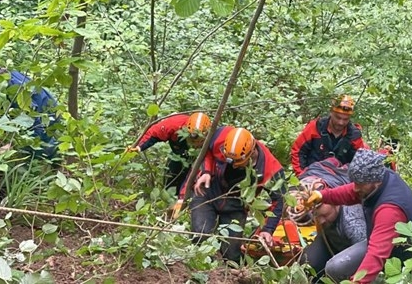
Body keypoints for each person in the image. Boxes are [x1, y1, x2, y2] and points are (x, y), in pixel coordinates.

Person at [305, 148, 412, 283]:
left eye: (360, 184)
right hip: (387, 245)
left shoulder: (389, 210)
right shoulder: (381, 177)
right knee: (334, 267)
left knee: (341, 267)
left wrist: (358, 282)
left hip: (405, 259)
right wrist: (323, 195)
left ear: (373, 181)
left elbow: (376, 254)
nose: (356, 187)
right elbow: (351, 192)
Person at [189, 126, 286, 263]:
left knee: (232, 254)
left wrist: (268, 229)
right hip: (208, 191)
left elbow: (279, 201)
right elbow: (207, 150)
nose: (233, 166)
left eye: (238, 163)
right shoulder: (219, 136)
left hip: (236, 205)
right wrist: (206, 171)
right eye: (230, 161)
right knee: (200, 235)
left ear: (251, 153)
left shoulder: (270, 169)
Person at [288, 158, 367, 282]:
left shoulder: (352, 220)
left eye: (324, 215)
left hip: (357, 249)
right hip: (332, 243)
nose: (321, 220)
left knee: (336, 268)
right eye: (316, 217)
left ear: (334, 201)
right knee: (307, 262)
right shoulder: (321, 214)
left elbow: (369, 255)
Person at [0, 60, 60, 159]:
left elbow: (32, 120)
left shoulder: (12, 89)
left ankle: (52, 158)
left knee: (35, 149)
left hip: (46, 113)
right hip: (40, 106)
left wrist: (12, 145)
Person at [126, 112, 211, 193]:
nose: (195, 143)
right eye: (193, 139)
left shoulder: (214, 136)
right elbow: (154, 133)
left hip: (199, 158)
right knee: (172, 176)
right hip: (178, 154)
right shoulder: (173, 124)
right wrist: (138, 146)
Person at [291, 95, 367, 176]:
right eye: (338, 117)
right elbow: (298, 151)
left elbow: (360, 161)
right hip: (312, 175)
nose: (341, 122)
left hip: (338, 179)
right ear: (331, 113)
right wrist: (301, 175)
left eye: (345, 119)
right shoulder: (315, 127)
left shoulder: (354, 135)